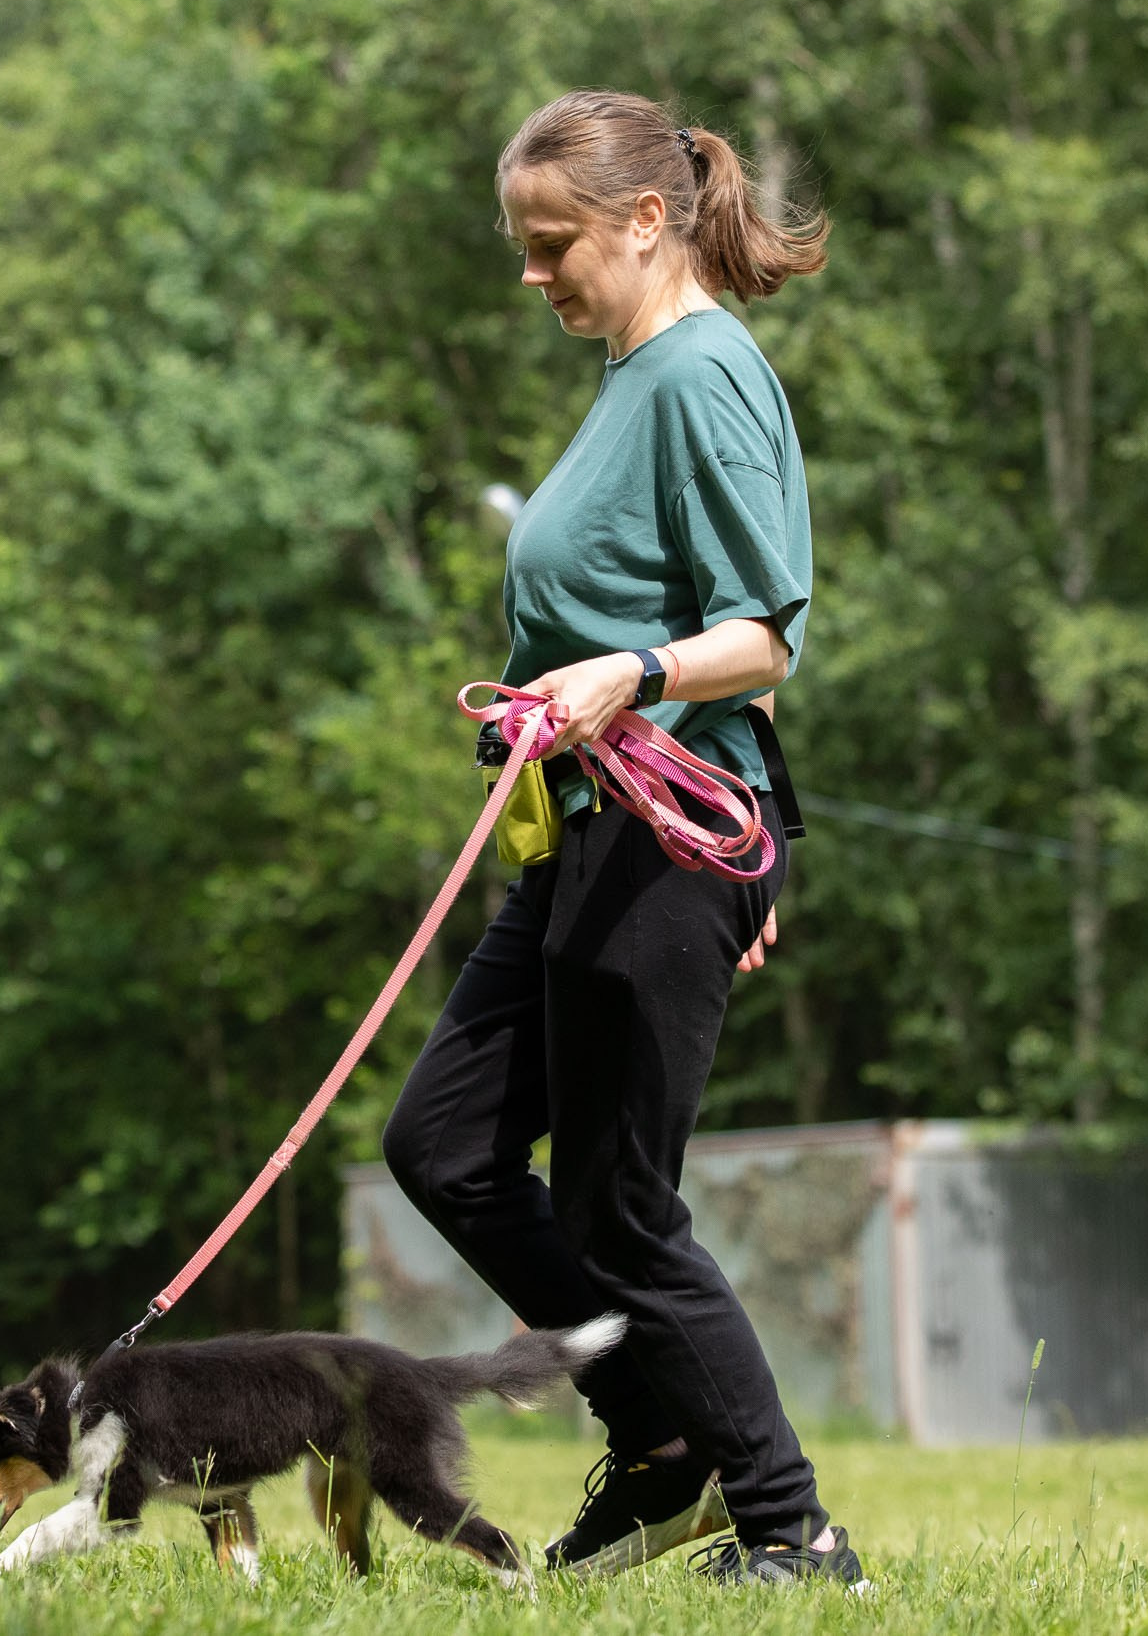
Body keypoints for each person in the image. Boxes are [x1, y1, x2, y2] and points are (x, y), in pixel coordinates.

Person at [381, 90, 863, 1589]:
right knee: (448, 1146)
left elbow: (763, 635)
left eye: (554, 245)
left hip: (667, 836)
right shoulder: (633, 373)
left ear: (646, 221)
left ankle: (790, 1529)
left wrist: (629, 678)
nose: (535, 275)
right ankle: (661, 1454)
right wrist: (552, 702)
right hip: (587, 830)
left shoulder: (705, 374)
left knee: (617, 1202)